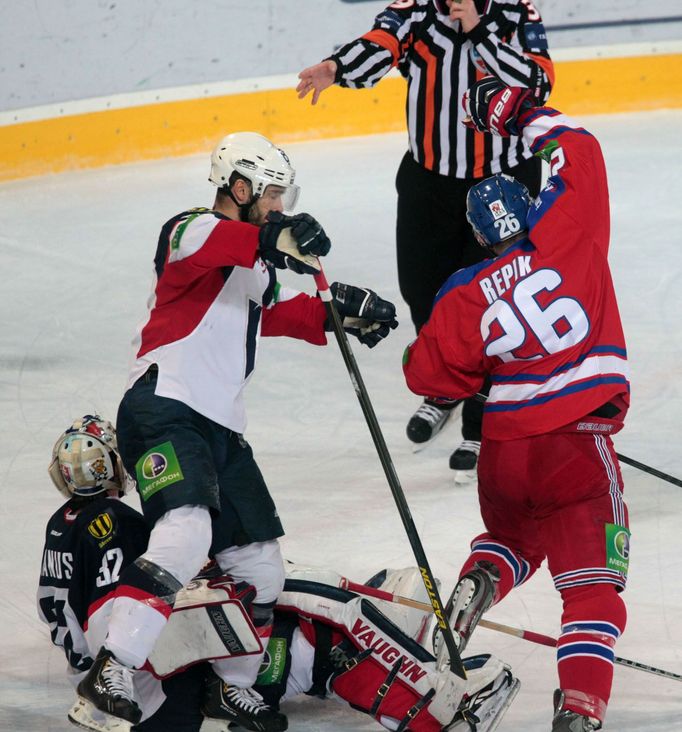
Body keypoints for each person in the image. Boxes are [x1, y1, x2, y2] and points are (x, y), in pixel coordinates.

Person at [72, 132, 400, 732]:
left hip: (221, 427)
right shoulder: (190, 229)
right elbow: (232, 242)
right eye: (272, 194)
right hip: (164, 404)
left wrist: (337, 313)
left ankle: (232, 688)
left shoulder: (253, 266)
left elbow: (268, 314)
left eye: (284, 195)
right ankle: (114, 665)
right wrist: (278, 236)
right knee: (187, 530)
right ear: (240, 188)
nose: (280, 204)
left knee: (260, 565)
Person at [40, 419, 519, 731]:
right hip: (154, 680)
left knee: (310, 645)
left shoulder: (59, 530)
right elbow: (156, 587)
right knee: (311, 600)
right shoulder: (117, 522)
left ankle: (411, 660)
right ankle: (441, 700)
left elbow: (75, 615)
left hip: (126, 683)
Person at [403, 76, 631, 731]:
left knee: (512, 537)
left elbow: (428, 374)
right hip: (577, 443)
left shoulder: (463, 289)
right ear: (531, 205)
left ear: (479, 235)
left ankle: (482, 580)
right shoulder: (566, 226)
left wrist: (478, 365)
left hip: (504, 451)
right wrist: (519, 111)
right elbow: (578, 145)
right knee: (593, 588)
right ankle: (581, 712)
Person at [297, 0, 554, 479]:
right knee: (423, 292)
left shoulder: (518, 13)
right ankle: (447, 387)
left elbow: (537, 83)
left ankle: (483, 420)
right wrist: (337, 67)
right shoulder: (417, 12)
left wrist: (477, 33)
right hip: (429, 180)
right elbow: (383, 43)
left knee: (496, 300)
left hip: (502, 183)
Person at [39, 415, 207, 731]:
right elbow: (121, 603)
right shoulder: (119, 520)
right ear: (111, 466)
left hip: (81, 670)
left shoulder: (59, 523)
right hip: (123, 679)